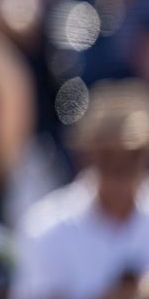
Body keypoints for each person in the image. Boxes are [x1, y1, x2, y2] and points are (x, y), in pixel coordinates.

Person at [13, 79, 149, 299]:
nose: (119, 171)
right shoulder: (45, 227)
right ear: (86, 157)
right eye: (107, 158)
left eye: (131, 158)